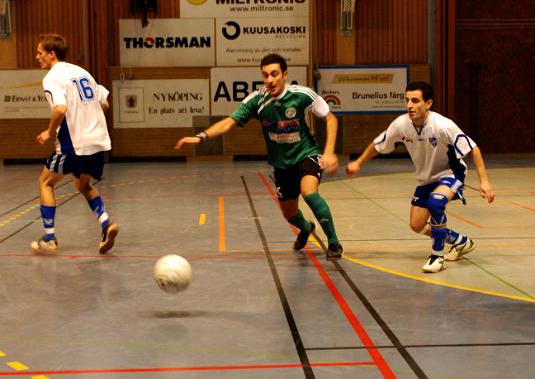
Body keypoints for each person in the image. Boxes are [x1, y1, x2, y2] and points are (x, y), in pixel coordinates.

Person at [175, 54, 343, 258]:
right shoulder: (257, 100)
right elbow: (228, 122)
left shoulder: (301, 94)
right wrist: (201, 137)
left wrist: (329, 151)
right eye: (265, 75)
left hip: (305, 155)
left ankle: (334, 242)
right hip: (281, 165)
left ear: (284, 75)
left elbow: (331, 119)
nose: (270, 80)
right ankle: (307, 228)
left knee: (309, 192)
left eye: (274, 74)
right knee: (289, 214)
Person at [346, 81, 494, 273]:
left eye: (415, 101)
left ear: (428, 103)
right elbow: (378, 144)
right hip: (426, 179)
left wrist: (484, 181)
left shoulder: (443, 125)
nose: (409, 105)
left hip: (450, 173)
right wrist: (359, 162)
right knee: (416, 225)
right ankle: (460, 241)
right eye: (407, 100)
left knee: (435, 202)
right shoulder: (401, 125)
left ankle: (437, 256)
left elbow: (472, 148)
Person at [32, 34, 118, 254]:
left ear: (52, 54)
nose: (37, 57)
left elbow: (60, 108)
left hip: (74, 144)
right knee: (83, 185)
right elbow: (105, 104)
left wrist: (50, 132)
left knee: (45, 182)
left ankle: (49, 238)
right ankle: (106, 224)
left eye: (40, 53)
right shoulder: (83, 72)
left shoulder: (52, 77)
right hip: (98, 141)